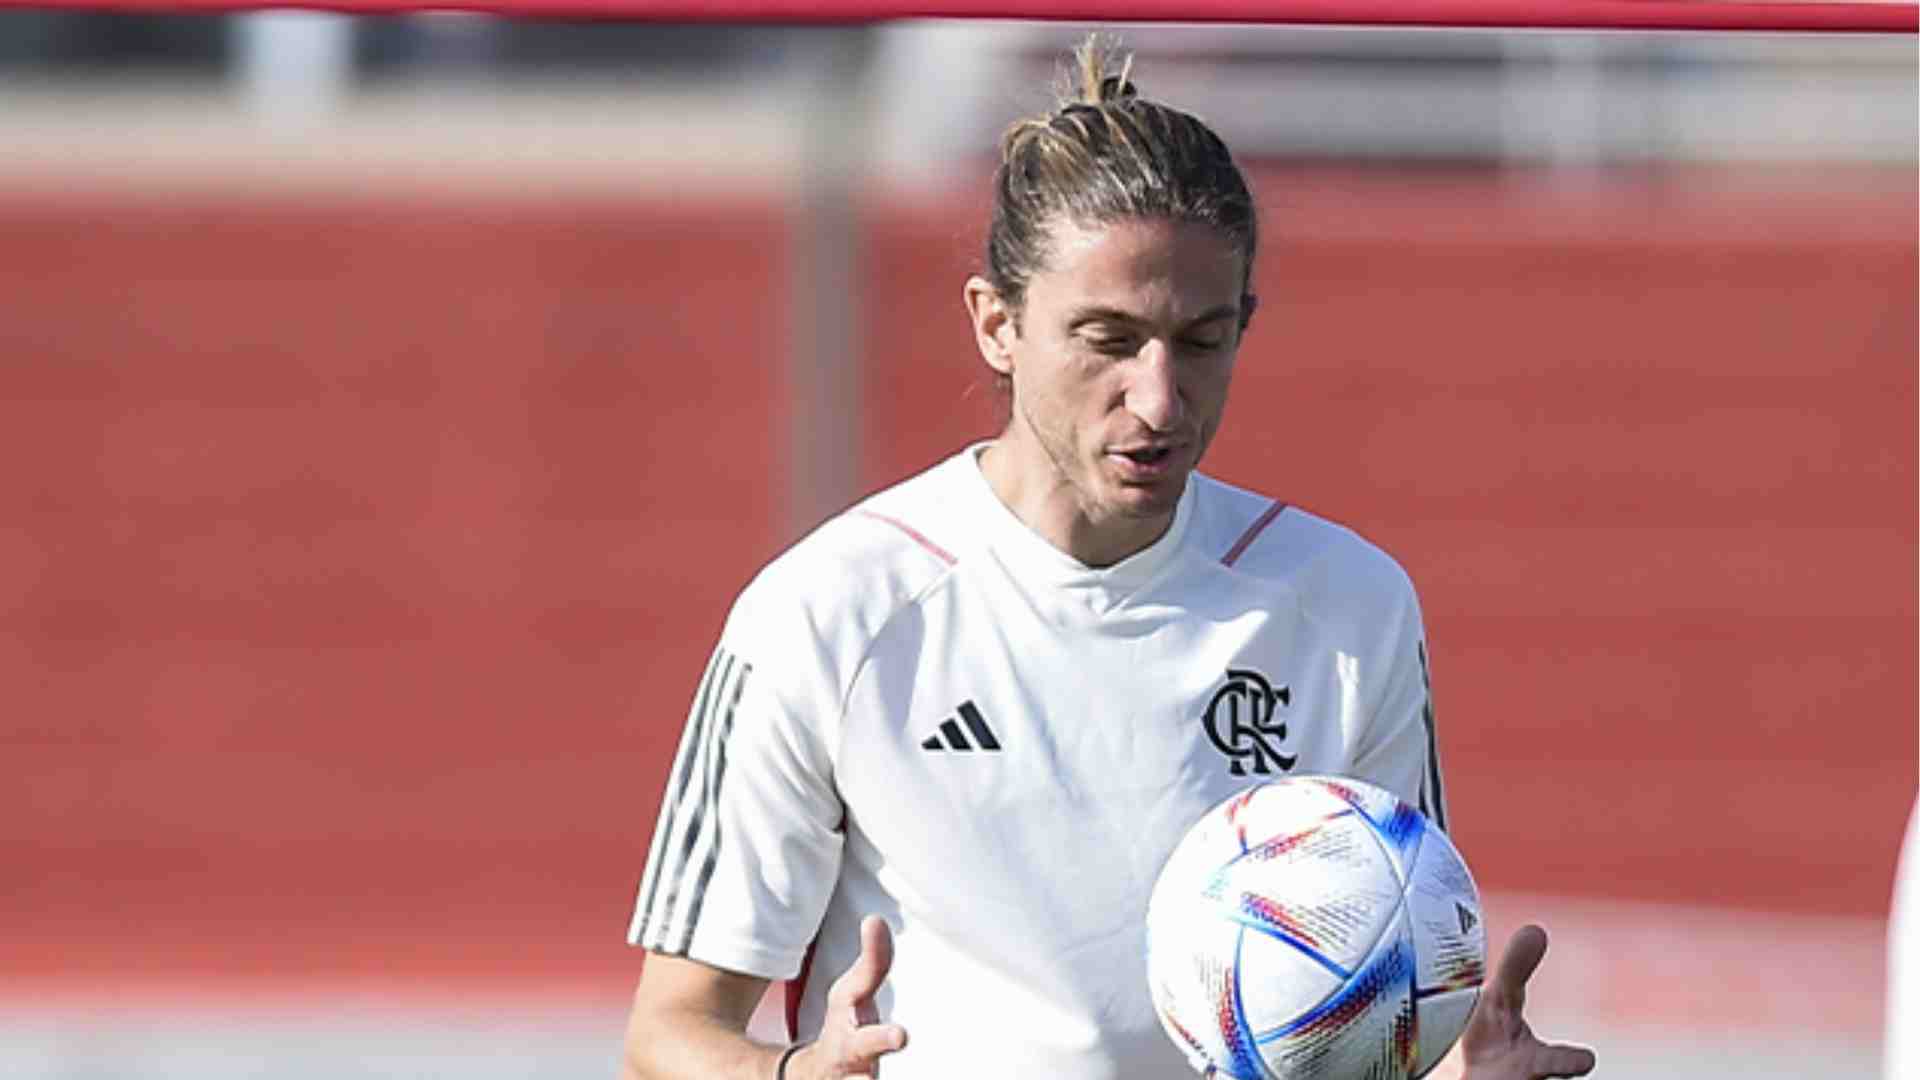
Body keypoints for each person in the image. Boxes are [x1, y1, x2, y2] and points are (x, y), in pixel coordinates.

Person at [621, 36, 1595, 1080]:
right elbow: (669, 1034)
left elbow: (1369, 1023)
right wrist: (787, 1078)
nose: (1160, 399)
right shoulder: (829, 612)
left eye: (1204, 340)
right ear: (996, 324)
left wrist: (1452, 1072)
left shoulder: (1349, 605)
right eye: (1109, 339)